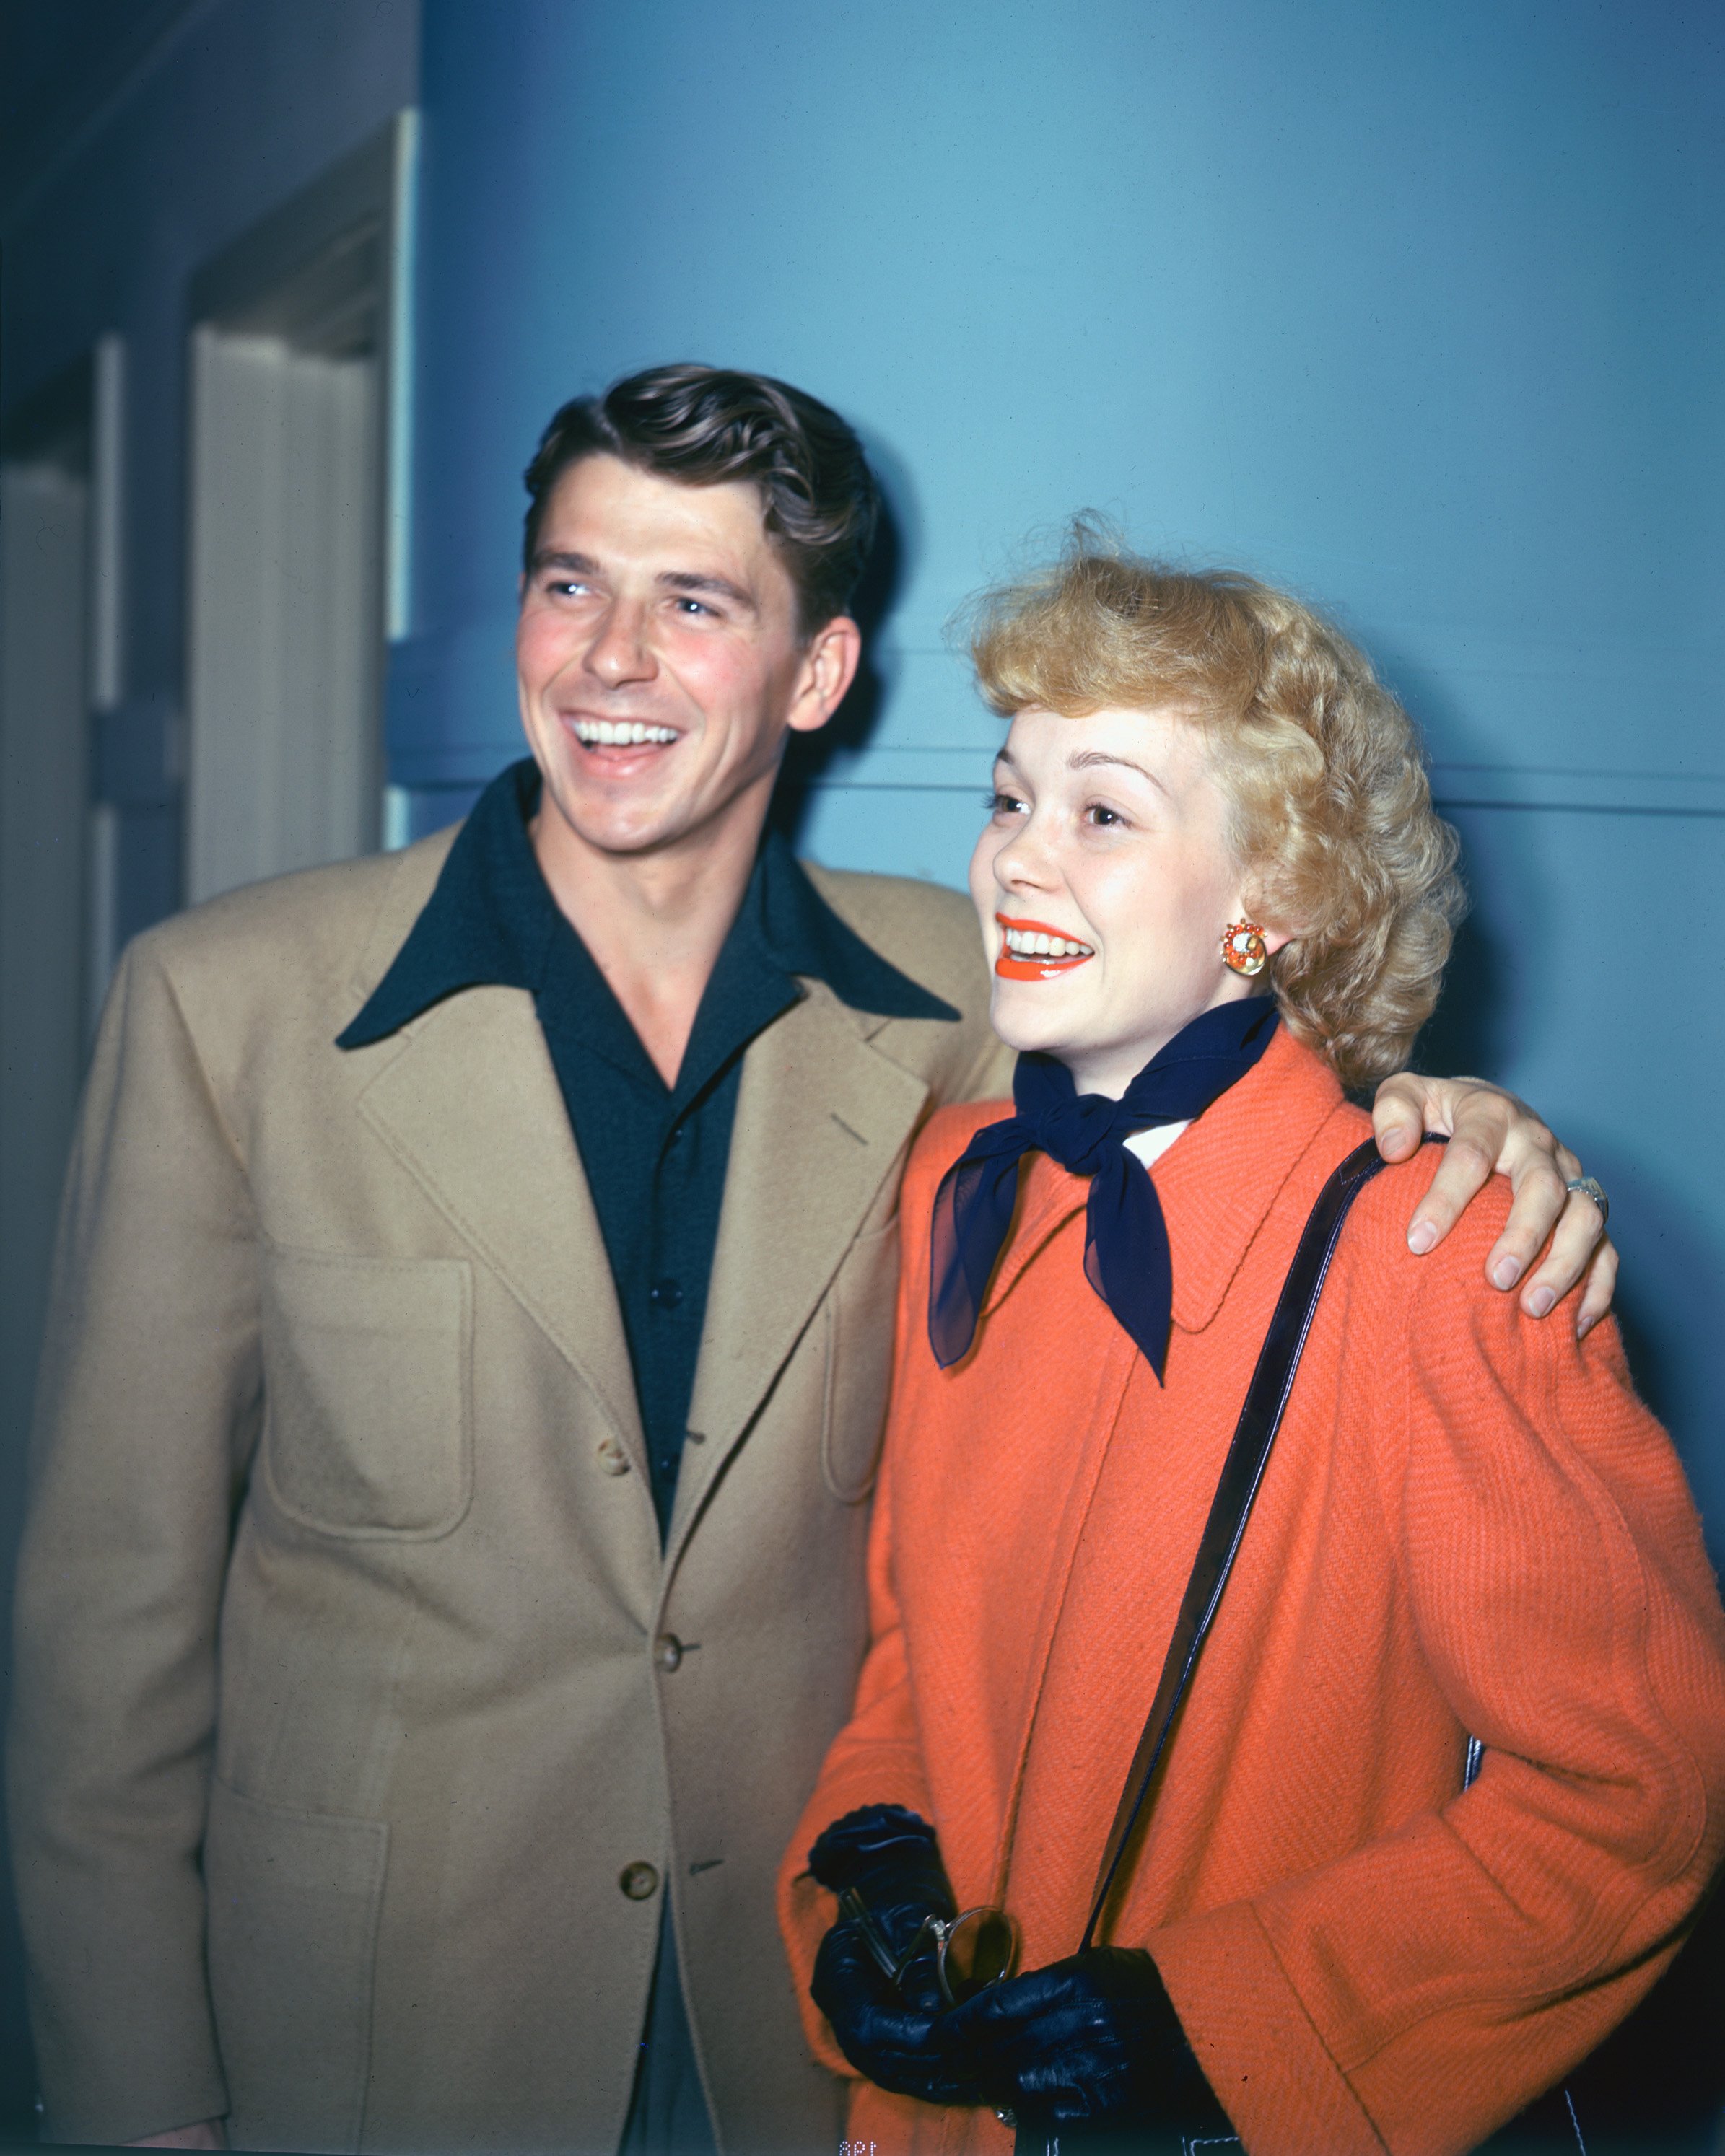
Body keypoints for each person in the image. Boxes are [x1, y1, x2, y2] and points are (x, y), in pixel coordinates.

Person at [9, 372, 1613, 2156]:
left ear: (817, 673)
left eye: (692, 603)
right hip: (383, 2028)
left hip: (795, 2054)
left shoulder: (953, 1003)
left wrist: (1450, 1121)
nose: (608, 657)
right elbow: (106, 1634)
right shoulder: (225, 1006)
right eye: (568, 584)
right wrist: (140, 2103)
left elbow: (1223, 1060)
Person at [779, 535, 1725, 2156]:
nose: (1012, 861)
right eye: (1008, 798)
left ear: (1270, 907)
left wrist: (1222, 2024)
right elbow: (908, 1655)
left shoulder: (1438, 1257)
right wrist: (870, 1865)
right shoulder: (954, 1185)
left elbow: (1633, 1801)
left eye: (1102, 814)